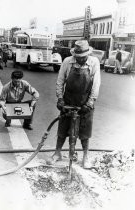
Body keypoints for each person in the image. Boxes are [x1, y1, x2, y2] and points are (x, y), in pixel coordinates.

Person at [47, 40, 101, 168]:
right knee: (63, 129)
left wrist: (90, 102)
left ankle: (85, 156)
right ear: (74, 55)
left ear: (88, 54)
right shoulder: (67, 61)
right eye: (78, 57)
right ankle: (57, 153)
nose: (80, 60)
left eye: (83, 57)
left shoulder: (94, 62)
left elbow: (96, 84)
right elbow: (60, 81)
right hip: (68, 101)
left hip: (85, 103)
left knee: (84, 132)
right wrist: (60, 99)